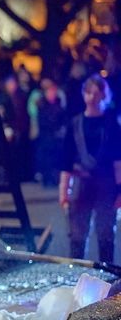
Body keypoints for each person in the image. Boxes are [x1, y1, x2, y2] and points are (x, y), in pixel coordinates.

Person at [58, 75, 121, 263]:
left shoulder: (111, 123)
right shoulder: (75, 123)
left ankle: (107, 278)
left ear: (104, 95)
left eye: (96, 93)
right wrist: (64, 192)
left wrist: (120, 190)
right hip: (80, 182)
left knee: (106, 234)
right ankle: (76, 276)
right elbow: (66, 161)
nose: (92, 97)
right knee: (77, 235)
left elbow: (119, 161)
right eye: (88, 92)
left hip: (106, 183)